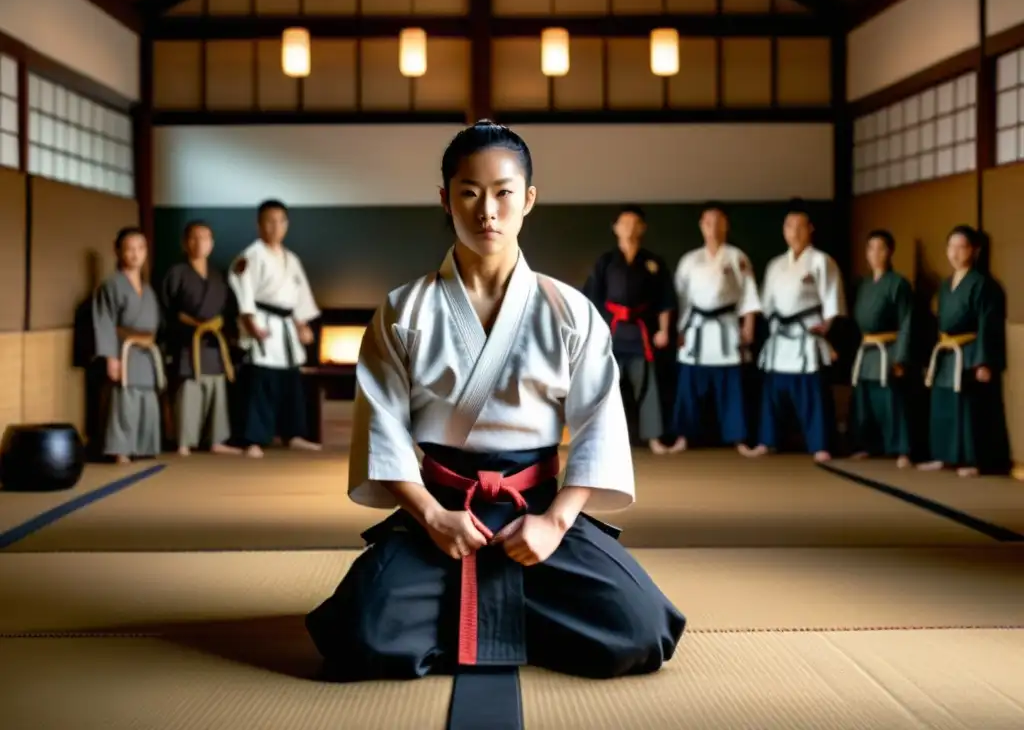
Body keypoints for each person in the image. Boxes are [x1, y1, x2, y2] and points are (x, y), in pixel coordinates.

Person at [306, 121, 685, 728]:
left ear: (529, 198)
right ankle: (501, 605)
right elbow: (381, 431)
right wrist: (430, 516)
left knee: (641, 632)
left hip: (537, 511)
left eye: (505, 192)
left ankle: (479, 606)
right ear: (445, 198)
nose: (488, 210)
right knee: (357, 637)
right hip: (441, 511)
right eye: (470, 192)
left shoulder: (570, 311)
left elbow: (598, 428)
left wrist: (559, 521)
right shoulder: (405, 311)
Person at [740, 203, 845, 463]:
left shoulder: (821, 260)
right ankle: (767, 441)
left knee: (812, 393)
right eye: (789, 227)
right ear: (784, 231)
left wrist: (827, 328)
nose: (794, 232)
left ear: (810, 229)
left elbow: (833, 299)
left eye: (800, 227)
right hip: (780, 336)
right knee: (773, 394)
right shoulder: (776, 264)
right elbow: (766, 304)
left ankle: (820, 444)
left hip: (808, 334)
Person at [227, 200, 322, 458]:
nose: (275, 227)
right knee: (260, 382)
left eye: (280, 221)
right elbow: (242, 291)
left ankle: (294, 435)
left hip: (287, 327)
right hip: (263, 323)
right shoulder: (250, 256)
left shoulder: (291, 258)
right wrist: (250, 324)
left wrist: (303, 325)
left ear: (286, 225)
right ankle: (253, 439)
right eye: (269, 221)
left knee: (290, 382)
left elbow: (299, 297)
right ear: (259, 225)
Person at [665, 203, 760, 453]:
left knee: (732, 387)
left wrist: (748, 324)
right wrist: (680, 330)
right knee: (689, 385)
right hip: (696, 328)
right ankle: (683, 437)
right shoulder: (690, 260)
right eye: (708, 222)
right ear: (701, 226)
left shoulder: (737, 257)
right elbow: (682, 300)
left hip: (727, 327)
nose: (713, 227)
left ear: (726, 225)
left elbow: (748, 295)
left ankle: (739, 439)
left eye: (719, 222)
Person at [918, 225, 1011, 477]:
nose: (956, 253)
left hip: (970, 352)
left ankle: (975, 459)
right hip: (948, 351)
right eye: (951, 247)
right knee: (943, 404)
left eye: (962, 247)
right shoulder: (947, 284)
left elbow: (988, 324)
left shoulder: (984, 285)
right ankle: (943, 455)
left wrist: (984, 361)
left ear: (974, 250)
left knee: (970, 408)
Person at [583, 206, 675, 453]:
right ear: (615, 228)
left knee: (648, 386)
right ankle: (602, 440)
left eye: (635, 223)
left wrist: (664, 330)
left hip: (642, 332)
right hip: (612, 332)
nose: (630, 228)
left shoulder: (653, 262)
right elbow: (591, 299)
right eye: (625, 223)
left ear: (643, 228)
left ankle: (654, 437)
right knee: (607, 387)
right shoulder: (605, 261)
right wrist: (594, 332)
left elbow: (666, 300)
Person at [160, 221, 240, 457]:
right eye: (194, 238)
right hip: (188, 340)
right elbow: (167, 308)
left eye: (205, 238)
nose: (199, 243)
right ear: (185, 243)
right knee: (189, 390)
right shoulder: (176, 273)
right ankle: (184, 441)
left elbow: (228, 309)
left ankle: (216, 440)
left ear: (212, 244)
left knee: (216, 388)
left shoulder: (219, 276)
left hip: (214, 341)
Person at [93, 227, 166, 464]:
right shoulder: (111, 285)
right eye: (129, 249)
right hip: (123, 349)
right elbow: (104, 321)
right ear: (118, 251)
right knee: (124, 398)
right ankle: (120, 449)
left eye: (140, 248)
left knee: (147, 398)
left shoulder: (148, 288)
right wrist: (110, 357)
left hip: (145, 351)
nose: (135, 254)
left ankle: (143, 446)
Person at [848, 230, 913, 468]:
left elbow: (906, 321)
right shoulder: (863, 284)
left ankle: (902, 449)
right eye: (871, 248)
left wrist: (900, 357)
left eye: (881, 248)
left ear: (890, 252)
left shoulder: (898, 284)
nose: (875, 254)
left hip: (889, 347)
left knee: (892, 401)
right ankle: (867, 445)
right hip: (867, 348)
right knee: (865, 400)